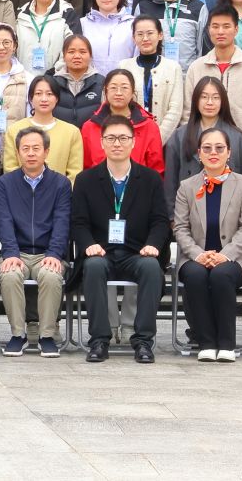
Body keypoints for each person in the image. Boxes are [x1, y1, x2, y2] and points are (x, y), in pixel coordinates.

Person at [71, 115, 170, 364]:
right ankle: (99, 340)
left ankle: (143, 340)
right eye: (111, 138)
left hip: (137, 252)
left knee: (151, 268)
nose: (117, 143)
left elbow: (160, 220)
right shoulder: (85, 180)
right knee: (93, 266)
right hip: (101, 251)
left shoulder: (150, 179)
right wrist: (88, 245)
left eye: (123, 138)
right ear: (101, 142)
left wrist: (153, 245)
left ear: (133, 142)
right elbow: (78, 222)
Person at [171, 129, 242, 361]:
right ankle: (206, 342)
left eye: (219, 148)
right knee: (196, 274)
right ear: (199, 153)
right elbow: (180, 228)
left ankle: (227, 344)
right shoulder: (187, 187)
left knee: (221, 274)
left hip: (235, 258)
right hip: (195, 256)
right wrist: (198, 254)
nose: (213, 153)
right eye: (207, 148)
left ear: (229, 152)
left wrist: (225, 254)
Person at [0, 126, 72, 357]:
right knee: (9, 274)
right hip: (16, 252)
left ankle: (46, 336)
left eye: (36, 148)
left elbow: (62, 222)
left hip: (47, 253)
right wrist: (10, 253)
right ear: (18, 152)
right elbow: (4, 221)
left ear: (46, 151)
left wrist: (54, 254)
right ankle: (18, 335)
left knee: (51, 275)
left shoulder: (61, 184)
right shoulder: (5, 183)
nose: (30, 153)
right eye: (25, 148)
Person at [185, 8, 242, 131]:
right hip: (202, 141)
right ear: (209, 29)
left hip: (241, 140)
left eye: (226, 26)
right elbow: (188, 112)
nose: (220, 32)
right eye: (215, 27)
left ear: (236, 29)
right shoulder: (196, 67)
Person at [163, 77, 242, 201]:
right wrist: (172, 212)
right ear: (196, 99)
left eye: (216, 97)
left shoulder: (237, 137)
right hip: (188, 206)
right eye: (204, 97)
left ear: (223, 101)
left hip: (228, 206)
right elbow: (170, 183)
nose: (209, 102)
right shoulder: (179, 136)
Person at [81, 68, 165, 175]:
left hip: (139, 184)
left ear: (133, 92)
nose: (119, 93)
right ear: (105, 91)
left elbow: (156, 169)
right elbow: (86, 167)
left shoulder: (149, 126)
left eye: (124, 88)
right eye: (113, 88)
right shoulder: (90, 127)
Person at [4, 74, 82, 180]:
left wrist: (63, 190)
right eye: (38, 94)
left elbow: (74, 173)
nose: (44, 99)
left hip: (60, 190)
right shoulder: (14, 130)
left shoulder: (72, 132)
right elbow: (10, 169)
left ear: (57, 99)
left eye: (49, 94)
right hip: (22, 189)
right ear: (31, 98)